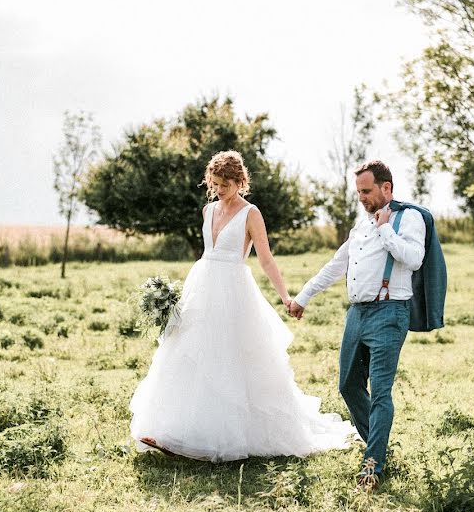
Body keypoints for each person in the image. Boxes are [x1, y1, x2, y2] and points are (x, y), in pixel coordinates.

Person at [130, 150, 356, 462]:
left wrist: (286, 297)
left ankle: (218, 436)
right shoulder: (208, 210)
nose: (218, 189)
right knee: (185, 352)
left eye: (224, 184)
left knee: (226, 359)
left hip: (233, 291)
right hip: (202, 285)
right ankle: (173, 431)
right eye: (214, 184)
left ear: (240, 182)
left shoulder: (251, 214)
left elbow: (265, 258)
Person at [288, 160, 426, 490]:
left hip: (390, 313)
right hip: (357, 314)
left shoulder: (410, 219)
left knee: (380, 392)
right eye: (358, 192)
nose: (362, 198)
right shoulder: (360, 226)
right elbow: (337, 265)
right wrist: (304, 296)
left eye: (366, 191)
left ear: (386, 188)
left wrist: (385, 229)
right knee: (348, 385)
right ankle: (377, 447)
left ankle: (373, 464)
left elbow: (414, 258)